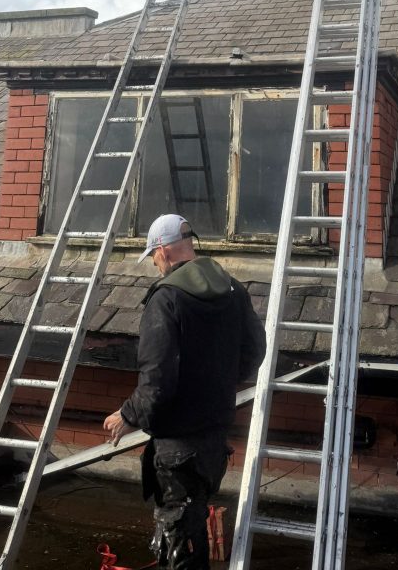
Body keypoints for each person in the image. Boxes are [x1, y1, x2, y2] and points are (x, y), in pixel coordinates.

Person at [103, 213, 266, 569]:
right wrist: (218, 382)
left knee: (179, 546)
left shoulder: (166, 299)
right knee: (193, 532)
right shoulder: (233, 289)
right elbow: (255, 352)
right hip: (213, 443)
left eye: (154, 256)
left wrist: (129, 415)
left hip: (178, 449)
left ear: (162, 250)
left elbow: (157, 378)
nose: (155, 264)